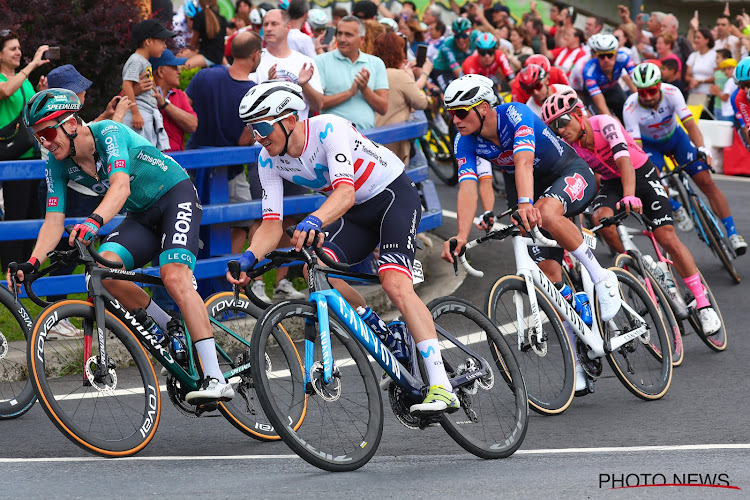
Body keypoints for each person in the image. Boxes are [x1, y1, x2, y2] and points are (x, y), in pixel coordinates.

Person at [232, 81, 461, 415]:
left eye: (263, 126)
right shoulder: (268, 159)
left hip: (392, 197)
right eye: (251, 128)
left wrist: (313, 221)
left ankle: (442, 386)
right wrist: (249, 257)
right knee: (318, 268)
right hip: (354, 215)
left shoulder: (328, 130)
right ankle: (384, 333)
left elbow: (345, 193)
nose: (258, 136)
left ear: (291, 120)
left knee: (394, 282)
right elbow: (271, 224)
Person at [10, 88, 233, 404]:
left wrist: (94, 221)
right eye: (39, 138)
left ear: (71, 123)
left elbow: (121, 185)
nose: (45, 143)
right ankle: (168, 325)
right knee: (105, 273)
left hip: (175, 195)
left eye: (47, 133)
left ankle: (216, 377)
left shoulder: (108, 134)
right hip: (141, 215)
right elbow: (53, 221)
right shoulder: (56, 163)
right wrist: (32, 263)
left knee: (173, 277)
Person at [441, 75, 623, 366]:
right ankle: (578, 357)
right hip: (533, 189)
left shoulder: (516, 114)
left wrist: (526, 204)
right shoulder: (464, 140)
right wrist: (461, 236)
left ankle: (603, 279)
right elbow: (467, 187)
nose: (455, 120)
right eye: (450, 113)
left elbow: (523, 161)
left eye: (461, 112)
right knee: (550, 276)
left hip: (568, 172)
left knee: (548, 214)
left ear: (484, 107)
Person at [541, 89, 722, 339]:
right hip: (612, 183)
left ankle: (703, 303)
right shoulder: (569, 147)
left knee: (666, 235)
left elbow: (624, 161)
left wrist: (630, 195)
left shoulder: (604, 124)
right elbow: (576, 184)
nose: (560, 130)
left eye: (562, 121)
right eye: (553, 127)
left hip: (641, 174)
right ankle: (628, 259)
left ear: (579, 114)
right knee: (601, 218)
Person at [624, 63, 746, 254]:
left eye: (651, 91)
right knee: (653, 180)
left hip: (675, 138)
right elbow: (637, 151)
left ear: (659, 85)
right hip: (650, 146)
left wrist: (702, 149)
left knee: (706, 182)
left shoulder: (672, 92)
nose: (647, 96)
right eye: (642, 92)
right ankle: (674, 205)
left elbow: (690, 125)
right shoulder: (630, 107)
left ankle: (732, 232)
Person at [186, 31, 261, 257]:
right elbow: (244, 140)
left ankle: (200, 273)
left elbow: (185, 110)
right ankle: (225, 273)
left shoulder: (204, 76)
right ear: (255, 55)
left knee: (192, 224)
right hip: (231, 170)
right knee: (242, 222)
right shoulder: (252, 93)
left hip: (193, 167)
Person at [0, 30, 49, 271]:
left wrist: (40, 90)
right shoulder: (6, 78)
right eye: (12, 48)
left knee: (33, 215)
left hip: (33, 155)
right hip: (11, 157)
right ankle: (10, 267)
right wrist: (30, 67)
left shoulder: (24, 79)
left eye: (19, 48)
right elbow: (6, 91)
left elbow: (31, 111)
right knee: (16, 215)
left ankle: (23, 268)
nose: (18, 52)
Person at [304, 15, 389, 130]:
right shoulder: (321, 61)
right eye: (339, 33)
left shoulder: (376, 63)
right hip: (331, 137)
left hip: (366, 137)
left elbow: (383, 108)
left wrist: (365, 89)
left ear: (362, 39)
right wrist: (349, 93)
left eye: (348, 35)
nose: (342, 39)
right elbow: (318, 104)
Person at [252, 9, 322, 121]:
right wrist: (269, 86)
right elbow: (249, 107)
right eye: (265, 24)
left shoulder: (305, 62)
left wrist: (304, 85)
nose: (268, 28)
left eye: (274, 24)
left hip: (298, 135)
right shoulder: (254, 59)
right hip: (265, 136)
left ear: (288, 27)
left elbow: (317, 105)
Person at [373, 32, 430, 165]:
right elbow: (421, 102)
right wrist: (424, 73)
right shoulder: (399, 76)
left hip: (373, 142)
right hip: (392, 145)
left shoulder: (373, 71)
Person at [121, 18, 173, 151]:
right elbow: (127, 85)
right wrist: (135, 113)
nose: (165, 46)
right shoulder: (136, 60)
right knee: (143, 155)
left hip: (146, 112)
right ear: (148, 41)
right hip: (140, 113)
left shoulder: (143, 61)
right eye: (162, 41)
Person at [150, 49, 197, 152]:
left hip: (176, 163)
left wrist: (164, 104)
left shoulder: (179, 94)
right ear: (161, 71)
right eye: (175, 67)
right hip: (147, 163)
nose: (179, 71)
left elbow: (193, 125)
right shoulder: (136, 93)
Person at [583, 33, 636, 121]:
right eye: (602, 56)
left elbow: (635, 82)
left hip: (613, 88)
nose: (606, 60)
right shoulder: (589, 70)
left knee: (629, 112)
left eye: (610, 55)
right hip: (595, 95)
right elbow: (599, 100)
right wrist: (610, 120)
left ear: (616, 54)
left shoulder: (623, 57)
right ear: (596, 55)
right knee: (604, 121)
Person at [430, 17, 478, 91]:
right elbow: (456, 70)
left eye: (464, 36)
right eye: (457, 36)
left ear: (470, 33)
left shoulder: (476, 36)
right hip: (443, 70)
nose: (460, 40)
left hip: (461, 67)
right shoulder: (448, 44)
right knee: (451, 92)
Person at [184, 0, 230, 69]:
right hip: (218, 56)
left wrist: (189, 47)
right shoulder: (222, 18)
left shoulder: (199, 17)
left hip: (207, 57)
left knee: (181, 68)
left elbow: (194, 43)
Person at [685, 28, 717, 103]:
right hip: (693, 95)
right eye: (695, 37)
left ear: (707, 40)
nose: (695, 40)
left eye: (698, 38)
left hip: (708, 95)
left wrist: (701, 81)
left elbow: (717, 76)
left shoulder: (714, 56)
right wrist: (692, 80)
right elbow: (687, 76)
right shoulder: (693, 56)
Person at [711, 57, 737, 122]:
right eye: (724, 69)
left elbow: (725, 98)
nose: (726, 71)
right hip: (730, 111)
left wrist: (717, 91)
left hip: (729, 112)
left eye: (729, 68)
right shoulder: (733, 81)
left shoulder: (731, 81)